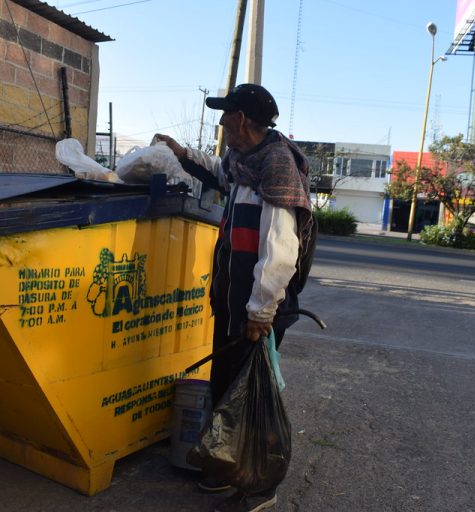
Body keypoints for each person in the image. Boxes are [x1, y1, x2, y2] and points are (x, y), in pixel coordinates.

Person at [155, 83, 313, 512]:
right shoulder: (244, 161)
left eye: (225, 115)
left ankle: (260, 484)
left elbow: (281, 250)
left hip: (255, 310)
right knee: (227, 388)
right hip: (232, 305)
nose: (221, 122)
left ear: (240, 119)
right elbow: (220, 175)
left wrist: (261, 310)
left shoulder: (277, 167)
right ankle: (227, 470)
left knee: (252, 397)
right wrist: (183, 153)